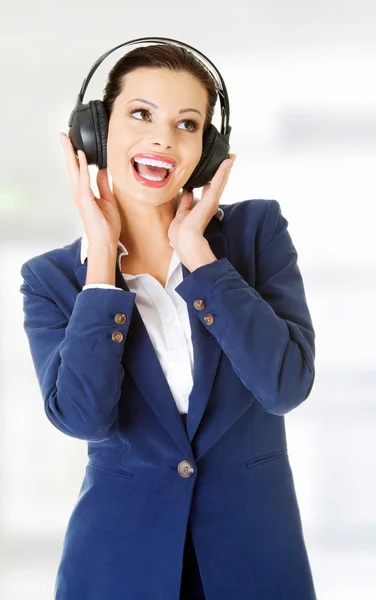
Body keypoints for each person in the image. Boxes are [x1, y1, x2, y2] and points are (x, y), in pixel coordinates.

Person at [19, 41, 317, 600]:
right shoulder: (53, 279)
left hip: (255, 566)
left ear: (205, 151)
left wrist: (198, 255)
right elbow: (83, 418)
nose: (163, 138)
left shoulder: (256, 236)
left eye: (187, 124)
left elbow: (285, 386)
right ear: (96, 132)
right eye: (140, 114)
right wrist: (103, 264)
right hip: (116, 569)